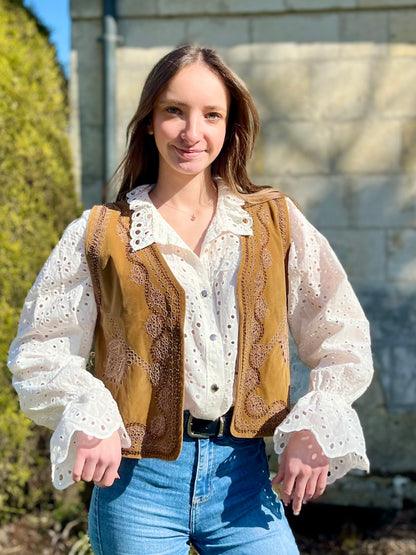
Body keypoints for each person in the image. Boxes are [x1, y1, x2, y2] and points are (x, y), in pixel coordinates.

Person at [8, 44, 373, 554]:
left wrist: (318, 422)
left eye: (211, 115)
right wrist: (88, 414)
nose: (191, 132)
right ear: (150, 121)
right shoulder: (100, 233)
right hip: (136, 484)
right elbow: (39, 350)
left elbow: (341, 334)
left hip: (243, 480)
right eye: (174, 111)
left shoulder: (274, 222)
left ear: (230, 126)